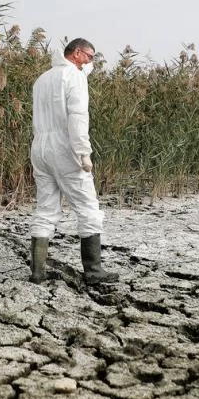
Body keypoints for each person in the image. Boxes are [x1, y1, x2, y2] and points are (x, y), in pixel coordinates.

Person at [28, 38, 119, 285]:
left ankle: (37, 272)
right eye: (89, 56)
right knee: (88, 208)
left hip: (40, 148)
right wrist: (83, 152)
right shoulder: (74, 77)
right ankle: (93, 271)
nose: (90, 62)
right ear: (77, 53)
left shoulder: (42, 79)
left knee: (45, 209)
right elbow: (77, 117)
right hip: (65, 148)